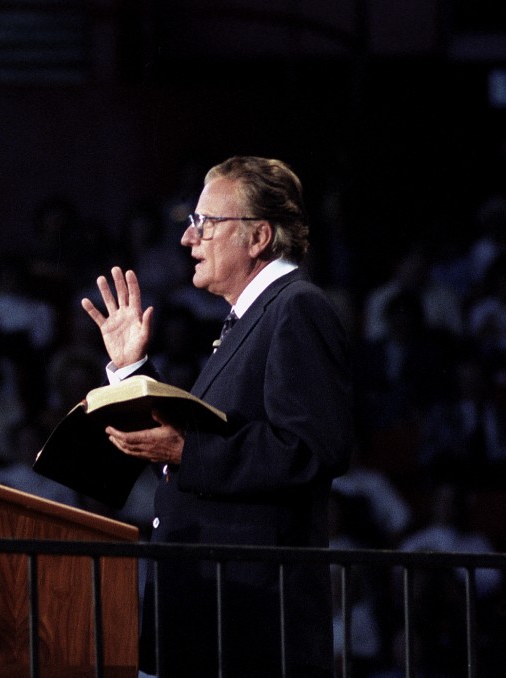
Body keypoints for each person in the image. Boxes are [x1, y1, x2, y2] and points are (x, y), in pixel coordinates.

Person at [81, 156, 354, 678]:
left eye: (203, 223)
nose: (188, 239)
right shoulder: (255, 315)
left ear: (257, 237)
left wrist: (187, 451)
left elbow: (311, 449)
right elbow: (204, 428)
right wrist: (131, 366)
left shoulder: (296, 308)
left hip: (250, 620)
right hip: (212, 611)